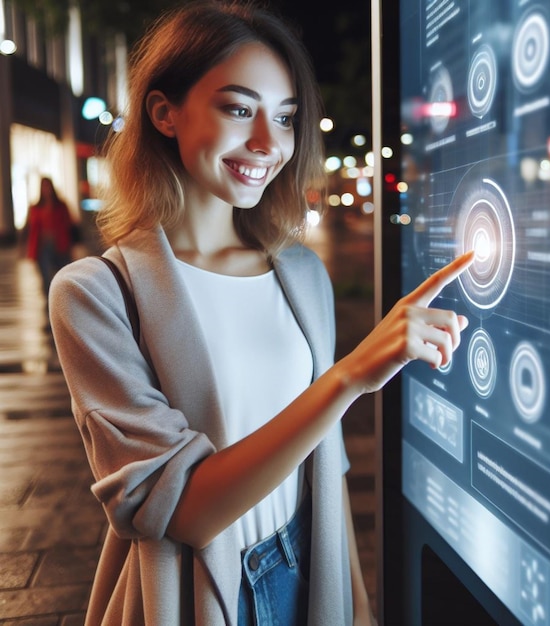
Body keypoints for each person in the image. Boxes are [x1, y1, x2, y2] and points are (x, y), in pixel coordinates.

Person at [49, 2, 474, 625]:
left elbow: (321, 463)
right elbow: (186, 510)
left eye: (285, 117)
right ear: (164, 112)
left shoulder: (300, 273)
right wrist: (350, 377)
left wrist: (357, 605)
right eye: (239, 109)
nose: (267, 143)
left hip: (309, 568)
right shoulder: (95, 293)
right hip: (193, 591)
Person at [24, 177, 74, 299]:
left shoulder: (61, 206)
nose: (46, 189)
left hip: (60, 243)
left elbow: (69, 225)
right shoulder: (35, 207)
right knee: (45, 276)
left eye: (48, 186)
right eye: (44, 186)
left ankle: (61, 298)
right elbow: (30, 229)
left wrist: (70, 246)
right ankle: (49, 299)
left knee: (61, 274)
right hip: (42, 246)